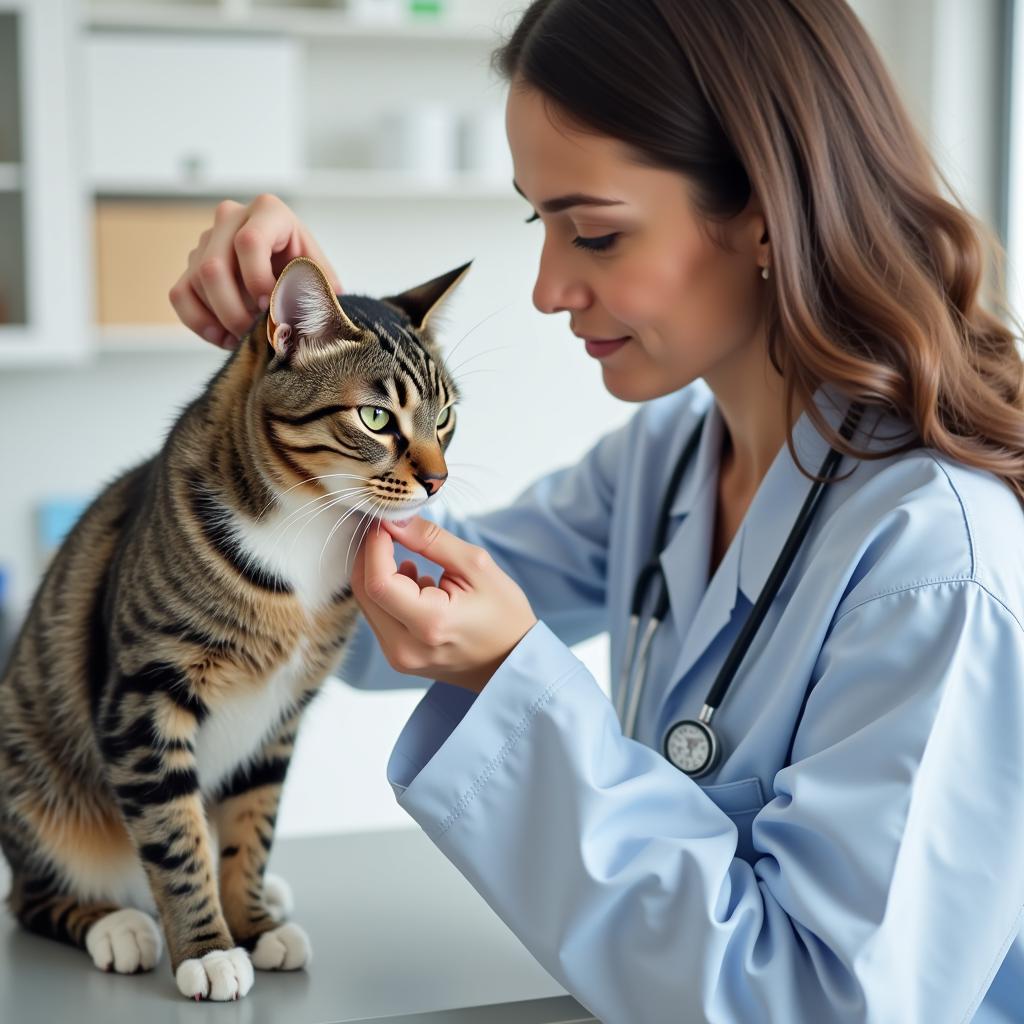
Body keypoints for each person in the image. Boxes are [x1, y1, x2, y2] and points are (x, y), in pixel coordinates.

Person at [169, 1, 1024, 1020]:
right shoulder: (664, 464)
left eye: (596, 232)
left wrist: (505, 677)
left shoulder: (934, 563)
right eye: (541, 223)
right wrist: (298, 384)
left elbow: (824, 1001)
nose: (546, 288)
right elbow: (367, 608)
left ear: (761, 210)